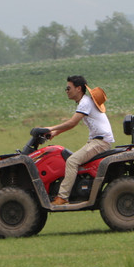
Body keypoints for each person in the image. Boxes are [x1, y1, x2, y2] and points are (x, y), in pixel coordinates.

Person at [45, 75, 114, 206]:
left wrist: (50, 128)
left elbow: (72, 122)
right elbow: (73, 124)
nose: (66, 90)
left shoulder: (85, 102)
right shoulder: (84, 102)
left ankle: (63, 197)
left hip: (100, 142)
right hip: (97, 141)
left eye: (68, 88)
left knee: (72, 161)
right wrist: (55, 133)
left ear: (78, 89)